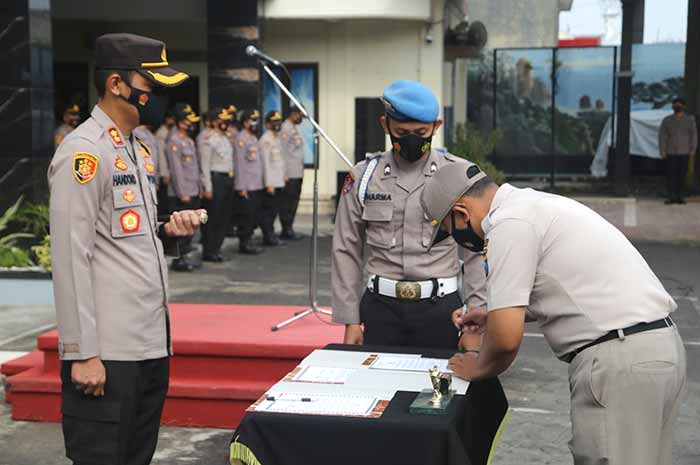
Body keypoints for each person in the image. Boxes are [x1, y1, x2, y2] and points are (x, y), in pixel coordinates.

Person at [421, 164, 687, 465]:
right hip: (657, 349)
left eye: (450, 232)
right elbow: (568, 286)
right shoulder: (533, 205)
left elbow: (506, 341)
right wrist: (490, 315)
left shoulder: (508, 224)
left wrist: (478, 366)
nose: (458, 241)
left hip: (620, 362)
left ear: (461, 214)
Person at [48, 33, 206, 465]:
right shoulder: (84, 153)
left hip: (149, 344)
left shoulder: (138, 148)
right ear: (117, 84)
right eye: (150, 87)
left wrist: (168, 231)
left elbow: (124, 233)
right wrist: (83, 353)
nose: (155, 98)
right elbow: (70, 254)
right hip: (108, 353)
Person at [332, 80, 486, 350]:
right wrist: (350, 320)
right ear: (385, 125)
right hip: (380, 309)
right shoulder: (364, 177)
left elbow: (476, 252)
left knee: (439, 389)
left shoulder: (460, 176)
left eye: (421, 131)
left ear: (436, 127)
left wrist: (476, 318)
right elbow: (346, 248)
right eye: (401, 131)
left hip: (441, 310)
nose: (411, 139)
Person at [166, 103, 203, 271]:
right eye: (189, 122)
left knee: (189, 227)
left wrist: (198, 188)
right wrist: (183, 192)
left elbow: (194, 168)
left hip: (192, 189)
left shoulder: (188, 141)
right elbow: (176, 171)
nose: (192, 125)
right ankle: (177, 260)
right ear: (181, 123)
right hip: (181, 193)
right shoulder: (174, 142)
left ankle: (184, 257)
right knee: (180, 228)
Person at [200, 107, 235, 261]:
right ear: (214, 122)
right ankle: (209, 251)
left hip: (227, 179)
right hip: (216, 180)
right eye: (222, 121)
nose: (225, 123)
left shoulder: (226, 138)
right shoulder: (208, 139)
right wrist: (207, 187)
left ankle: (217, 249)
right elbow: (204, 165)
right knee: (213, 218)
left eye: (226, 120)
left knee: (223, 217)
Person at [233, 110, 264, 255]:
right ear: (245, 123)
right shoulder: (241, 139)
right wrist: (241, 187)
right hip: (246, 185)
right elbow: (240, 164)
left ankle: (249, 240)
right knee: (246, 216)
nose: (255, 123)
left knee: (253, 215)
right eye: (252, 120)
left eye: (256, 120)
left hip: (256, 184)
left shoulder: (253, 138)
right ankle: (244, 243)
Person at [659, 97, 697, 204]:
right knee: (670, 175)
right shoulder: (667, 120)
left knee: (682, 175)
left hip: (685, 152)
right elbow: (662, 136)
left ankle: (680, 196)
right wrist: (662, 150)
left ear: (684, 107)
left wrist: (692, 150)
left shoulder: (690, 120)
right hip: (670, 152)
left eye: (679, 104)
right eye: (675, 104)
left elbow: (694, 135)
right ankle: (671, 196)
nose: (677, 106)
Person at [278, 105, 306, 240]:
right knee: (287, 202)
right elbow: (282, 152)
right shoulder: (285, 128)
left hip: (297, 172)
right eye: (300, 115)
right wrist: (284, 174)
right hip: (289, 173)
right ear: (293, 114)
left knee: (294, 201)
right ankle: (286, 229)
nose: (301, 118)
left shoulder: (294, 129)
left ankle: (290, 227)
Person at [259, 111, 286, 246]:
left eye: (279, 122)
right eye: (274, 123)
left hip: (278, 181)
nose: (277, 125)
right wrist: (268, 183)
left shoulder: (277, 138)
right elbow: (265, 163)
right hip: (271, 183)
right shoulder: (266, 140)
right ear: (268, 124)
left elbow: (279, 161)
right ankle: (268, 236)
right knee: (268, 211)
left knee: (274, 210)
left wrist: (283, 176)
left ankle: (271, 234)